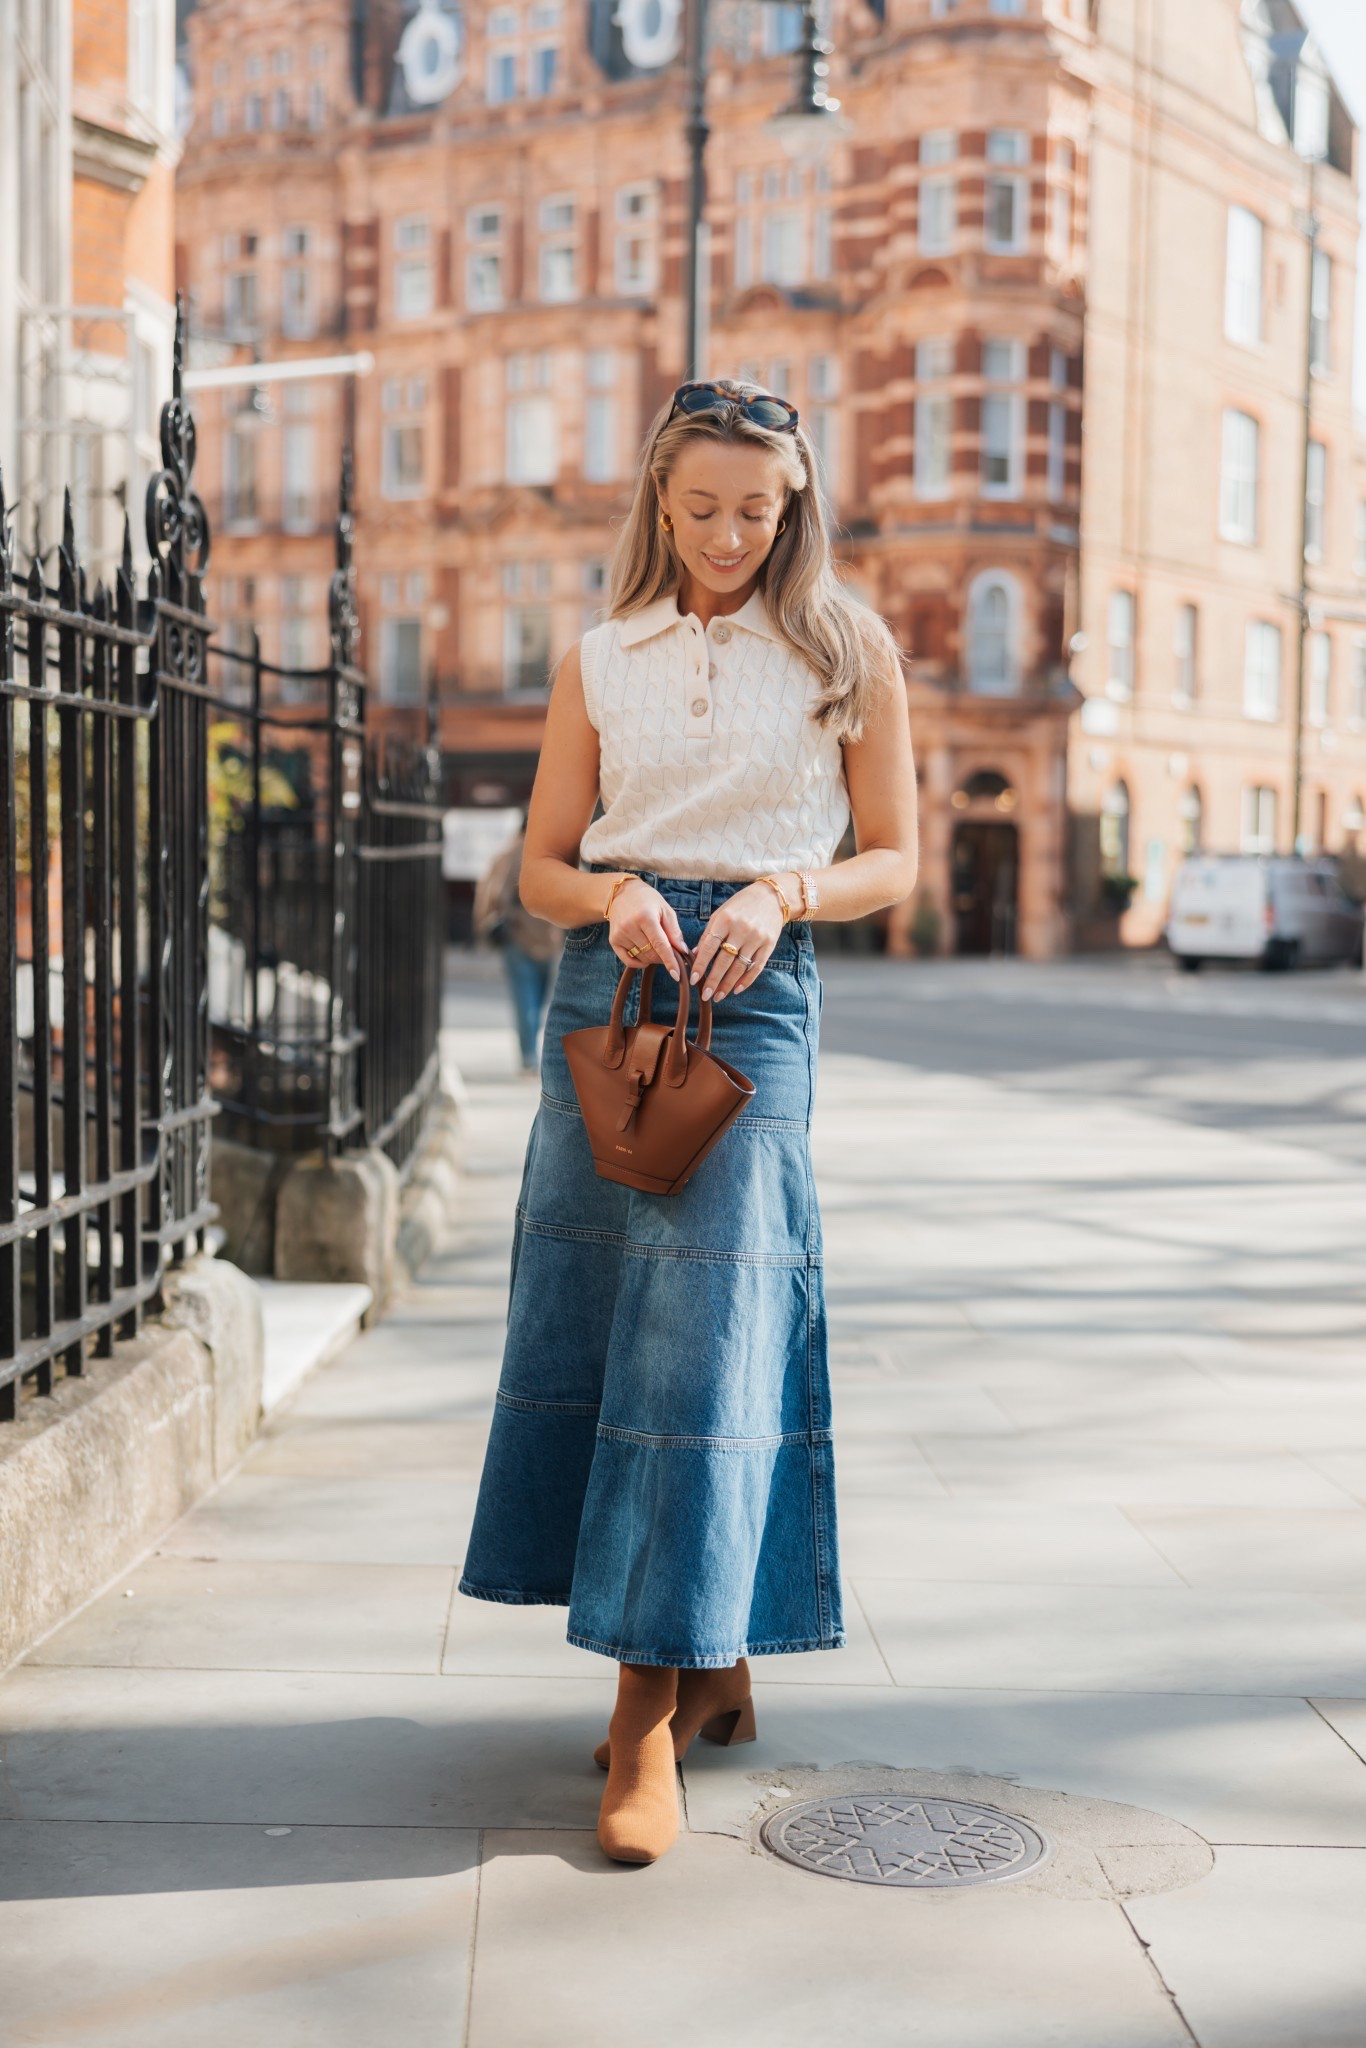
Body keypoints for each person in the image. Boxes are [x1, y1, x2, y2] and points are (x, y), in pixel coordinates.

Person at [458, 377, 918, 1865]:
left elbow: (896, 857)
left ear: (796, 509)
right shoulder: (601, 658)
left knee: (706, 1335)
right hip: (610, 990)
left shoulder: (848, 650)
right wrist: (613, 895)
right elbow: (541, 864)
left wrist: (785, 890)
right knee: (600, 1319)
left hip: (756, 998)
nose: (728, 535)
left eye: (757, 512)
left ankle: (644, 1706)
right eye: (704, 507)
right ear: (660, 500)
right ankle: (708, 1654)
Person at [474, 818, 563, 1073]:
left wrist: (486, 924)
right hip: (550, 935)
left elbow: (492, 894)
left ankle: (528, 1057)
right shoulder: (554, 855)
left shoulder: (509, 854)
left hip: (518, 935)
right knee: (540, 999)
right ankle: (531, 1055)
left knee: (525, 999)